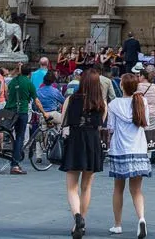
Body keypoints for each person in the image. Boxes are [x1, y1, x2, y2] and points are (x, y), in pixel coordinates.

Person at [62, 68, 108, 239]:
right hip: (92, 142)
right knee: (87, 186)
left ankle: (76, 217)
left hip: (75, 140)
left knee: (71, 186)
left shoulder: (71, 99)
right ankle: (81, 222)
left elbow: (64, 121)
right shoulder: (102, 103)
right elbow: (101, 124)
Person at [107, 73, 151, 237]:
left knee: (118, 188)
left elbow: (110, 127)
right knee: (137, 190)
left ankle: (117, 224)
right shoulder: (142, 101)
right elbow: (145, 124)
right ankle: (141, 219)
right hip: (138, 148)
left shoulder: (114, 104)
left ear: (122, 86)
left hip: (120, 149)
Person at [5, 61, 36, 174]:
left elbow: (7, 93)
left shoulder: (14, 81)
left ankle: (11, 152)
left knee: (9, 133)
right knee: (20, 137)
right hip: (21, 111)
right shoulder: (28, 83)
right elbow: (36, 100)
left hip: (9, 110)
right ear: (30, 73)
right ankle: (15, 165)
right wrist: (44, 112)